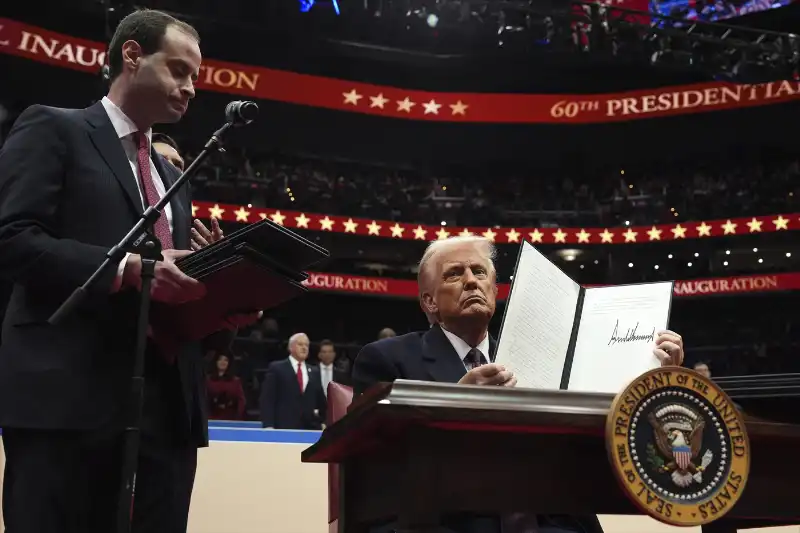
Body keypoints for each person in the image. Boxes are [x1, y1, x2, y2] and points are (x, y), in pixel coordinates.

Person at [0, 9, 256, 533]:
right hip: (68, 399)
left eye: (196, 79)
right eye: (180, 70)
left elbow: (171, 286)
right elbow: (11, 239)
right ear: (132, 55)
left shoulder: (173, 180)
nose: (190, 89)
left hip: (168, 410)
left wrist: (221, 306)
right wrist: (130, 269)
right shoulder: (53, 127)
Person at [352, 236, 686, 533]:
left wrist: (656, 380)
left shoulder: (545, 360)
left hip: (553, 520)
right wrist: (455, 403)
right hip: (449, 521)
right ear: (429, 302)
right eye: (455, 274)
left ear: (494, 292)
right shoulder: (385, 360)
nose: (471, 281)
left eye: (479, 273)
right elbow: (378, 468)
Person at [259, 333, 326, 429]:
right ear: (290, 347)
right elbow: (268, 399)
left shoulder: (314, 371)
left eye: (306, 345)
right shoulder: (277, 368)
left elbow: (321, 401)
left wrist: (325, 421)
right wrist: (268, 425)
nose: (304, 348)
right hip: (283, 427)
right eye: (300, 344)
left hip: (309, 428)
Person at [206, 352, 246, 420]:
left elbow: (241, 400)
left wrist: (238, 416)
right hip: (211, 416)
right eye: (220, 359)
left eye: (226, 360)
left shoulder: (235, 381)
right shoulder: (208, 380)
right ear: (216, 362)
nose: (222, 362)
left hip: (231, 418)